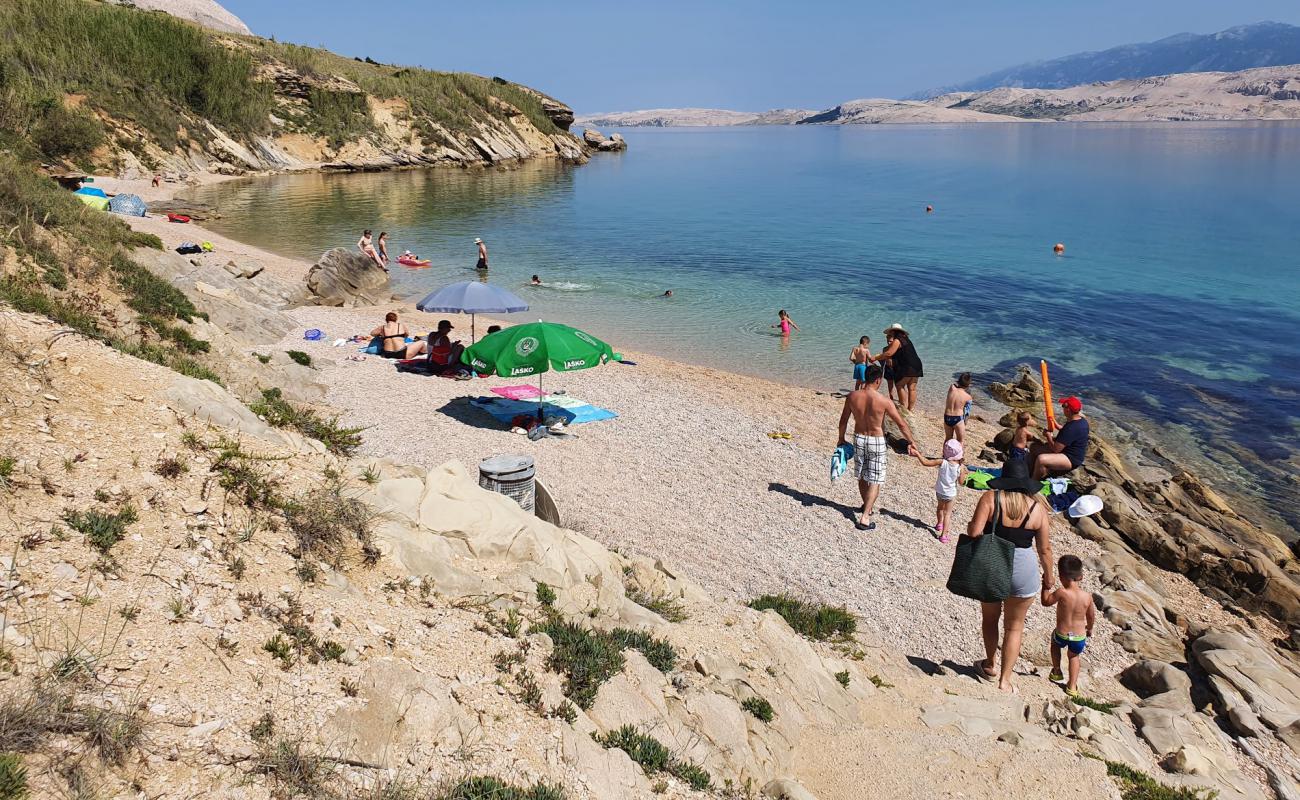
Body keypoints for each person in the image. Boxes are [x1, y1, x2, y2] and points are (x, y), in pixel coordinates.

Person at [966, 459, 1055, 693]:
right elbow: (1045, 550)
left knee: (990, 619)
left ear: (1004, 480)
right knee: (1014, 627)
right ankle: (1005, 681)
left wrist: (972, 526)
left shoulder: (991, 499)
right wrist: (1049, 578)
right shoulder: (1037, 508)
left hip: (993, 564)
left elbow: (974, 532)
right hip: (1023, 568)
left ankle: (989, 665)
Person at [837, 364, 920, 531]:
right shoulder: (884, 401)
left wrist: (840, 439)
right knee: (875, 479)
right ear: (878, 380)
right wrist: (911, 441)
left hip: (859, 438)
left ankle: (866, 506)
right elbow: (901, 424)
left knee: (862, 475)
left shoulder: (853, 396)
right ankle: (865, 516)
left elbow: (843, 420)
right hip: (876, 441)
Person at [1042, 554, 1095, 696]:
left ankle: (1057, 671)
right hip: (1078, 637)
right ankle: (1072, 686)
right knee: (1073, 657)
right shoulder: (1087, 597)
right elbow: (1091, 616)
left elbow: (1046, 602)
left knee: (1055, 645)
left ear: (1061, 576)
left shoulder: (1062, 592)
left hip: (1062, 634)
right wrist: (1089, 628)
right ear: (1081, 577)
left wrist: (1045, 587)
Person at [913, 438, 966, 543]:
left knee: (940, 508)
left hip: (940, 491)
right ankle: (944, 535)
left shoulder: (942, 462)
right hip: (951, 494)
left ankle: (939, 524)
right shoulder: (960, 467)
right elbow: (961, 482)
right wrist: (964, 474)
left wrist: (918, 454)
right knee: (948, 513)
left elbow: (926, 462)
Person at [1029, 396, 1089, 479]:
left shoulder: (1071, 428)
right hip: (1073, 452)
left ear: (1068, 410)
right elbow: (1067, 432)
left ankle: (1033, 481)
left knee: (1041, 459)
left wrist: (1048, 436)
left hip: (1071, 458)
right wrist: (1055, 424)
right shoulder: (1081, 420)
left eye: (1063, 406)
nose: (1062, 408)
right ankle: (1037, 471)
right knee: (1034, 447)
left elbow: (1056, 449)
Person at [878, 323, 923, 412]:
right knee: (912, 388)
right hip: (917, 365)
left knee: (899, 385)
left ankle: (903, 408)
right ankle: (910, 409)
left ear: (894, 332)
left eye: (891, 333)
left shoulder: (897, 340)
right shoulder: (907, 340)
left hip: (908, 367)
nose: (890, 335)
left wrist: (875, 357)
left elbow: (889, 353)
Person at [944, 373, 973, 442]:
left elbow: (955, 385)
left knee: (948, 439)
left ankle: (945, 453)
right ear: (968, 385)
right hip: (957, 418)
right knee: (960, 440)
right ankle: (959, 453)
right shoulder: (968, 397)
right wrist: (965, 422)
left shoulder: (952, 388)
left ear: (958, 381)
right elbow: (967, 412)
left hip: (947, 417)